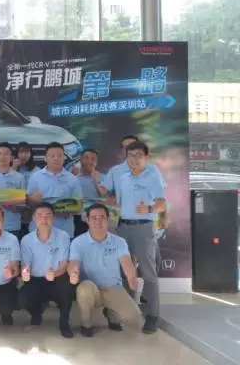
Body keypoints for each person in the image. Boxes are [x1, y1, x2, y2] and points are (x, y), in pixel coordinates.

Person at [113, 140, 166, 334]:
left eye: (138, 156)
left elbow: (162, 203)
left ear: (146, 158)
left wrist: (150, 208)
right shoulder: (123, 178)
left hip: (143, 228)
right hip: (123, 228)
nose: (134, 159)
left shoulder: (153, 177)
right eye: (130, 155)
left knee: (148, 272)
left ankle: (152, 315)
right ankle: (129, 312)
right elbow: (119, 203)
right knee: (125, 271)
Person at [68, 203, 142, 337]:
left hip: (113, 288)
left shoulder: (119, 242)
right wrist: (73, 272)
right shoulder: (78, 242)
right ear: (88, 220)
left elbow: (128, 266)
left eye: (102, 217)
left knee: (135, 320)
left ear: (108, 220)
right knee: (84, 289)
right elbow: (73, 264)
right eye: (94, 218)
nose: (98, 221)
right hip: (91, 289)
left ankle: (111, 314)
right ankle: (87, 324)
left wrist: (133, 280)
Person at [18, 202, 74, 338]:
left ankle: (64, 324)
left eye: (48, 215)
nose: (44, 219)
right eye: (40, 216)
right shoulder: (26, 240)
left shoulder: (63, 236)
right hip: (36, 278)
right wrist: (25, 272)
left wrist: (54, 273)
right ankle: (37, 313)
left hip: (58, 277)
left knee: (67, 288)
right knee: (21, 300)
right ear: (33, 218)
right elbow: (26, 264)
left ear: (53, 218)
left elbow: (64, 264)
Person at [27, 142, 83, 238]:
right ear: (45, 158)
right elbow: (27, 203)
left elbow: (79, 205)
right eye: (52, 156)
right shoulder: (35, 177)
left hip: (64, 232)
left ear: (64, 158)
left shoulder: (73, 179)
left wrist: (66, 210)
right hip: (38, 231)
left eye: (60, 156)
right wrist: (33, 200)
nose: (56, 158)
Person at [73, 148, 104, 238]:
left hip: (96, 218)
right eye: (86, 158)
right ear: (81, 160)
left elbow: (106, 199)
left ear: (96, 162)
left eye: (93, 159)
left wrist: (96, 181)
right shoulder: (74, 179)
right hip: (77, 219)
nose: (89, 161)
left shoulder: (103, 178)